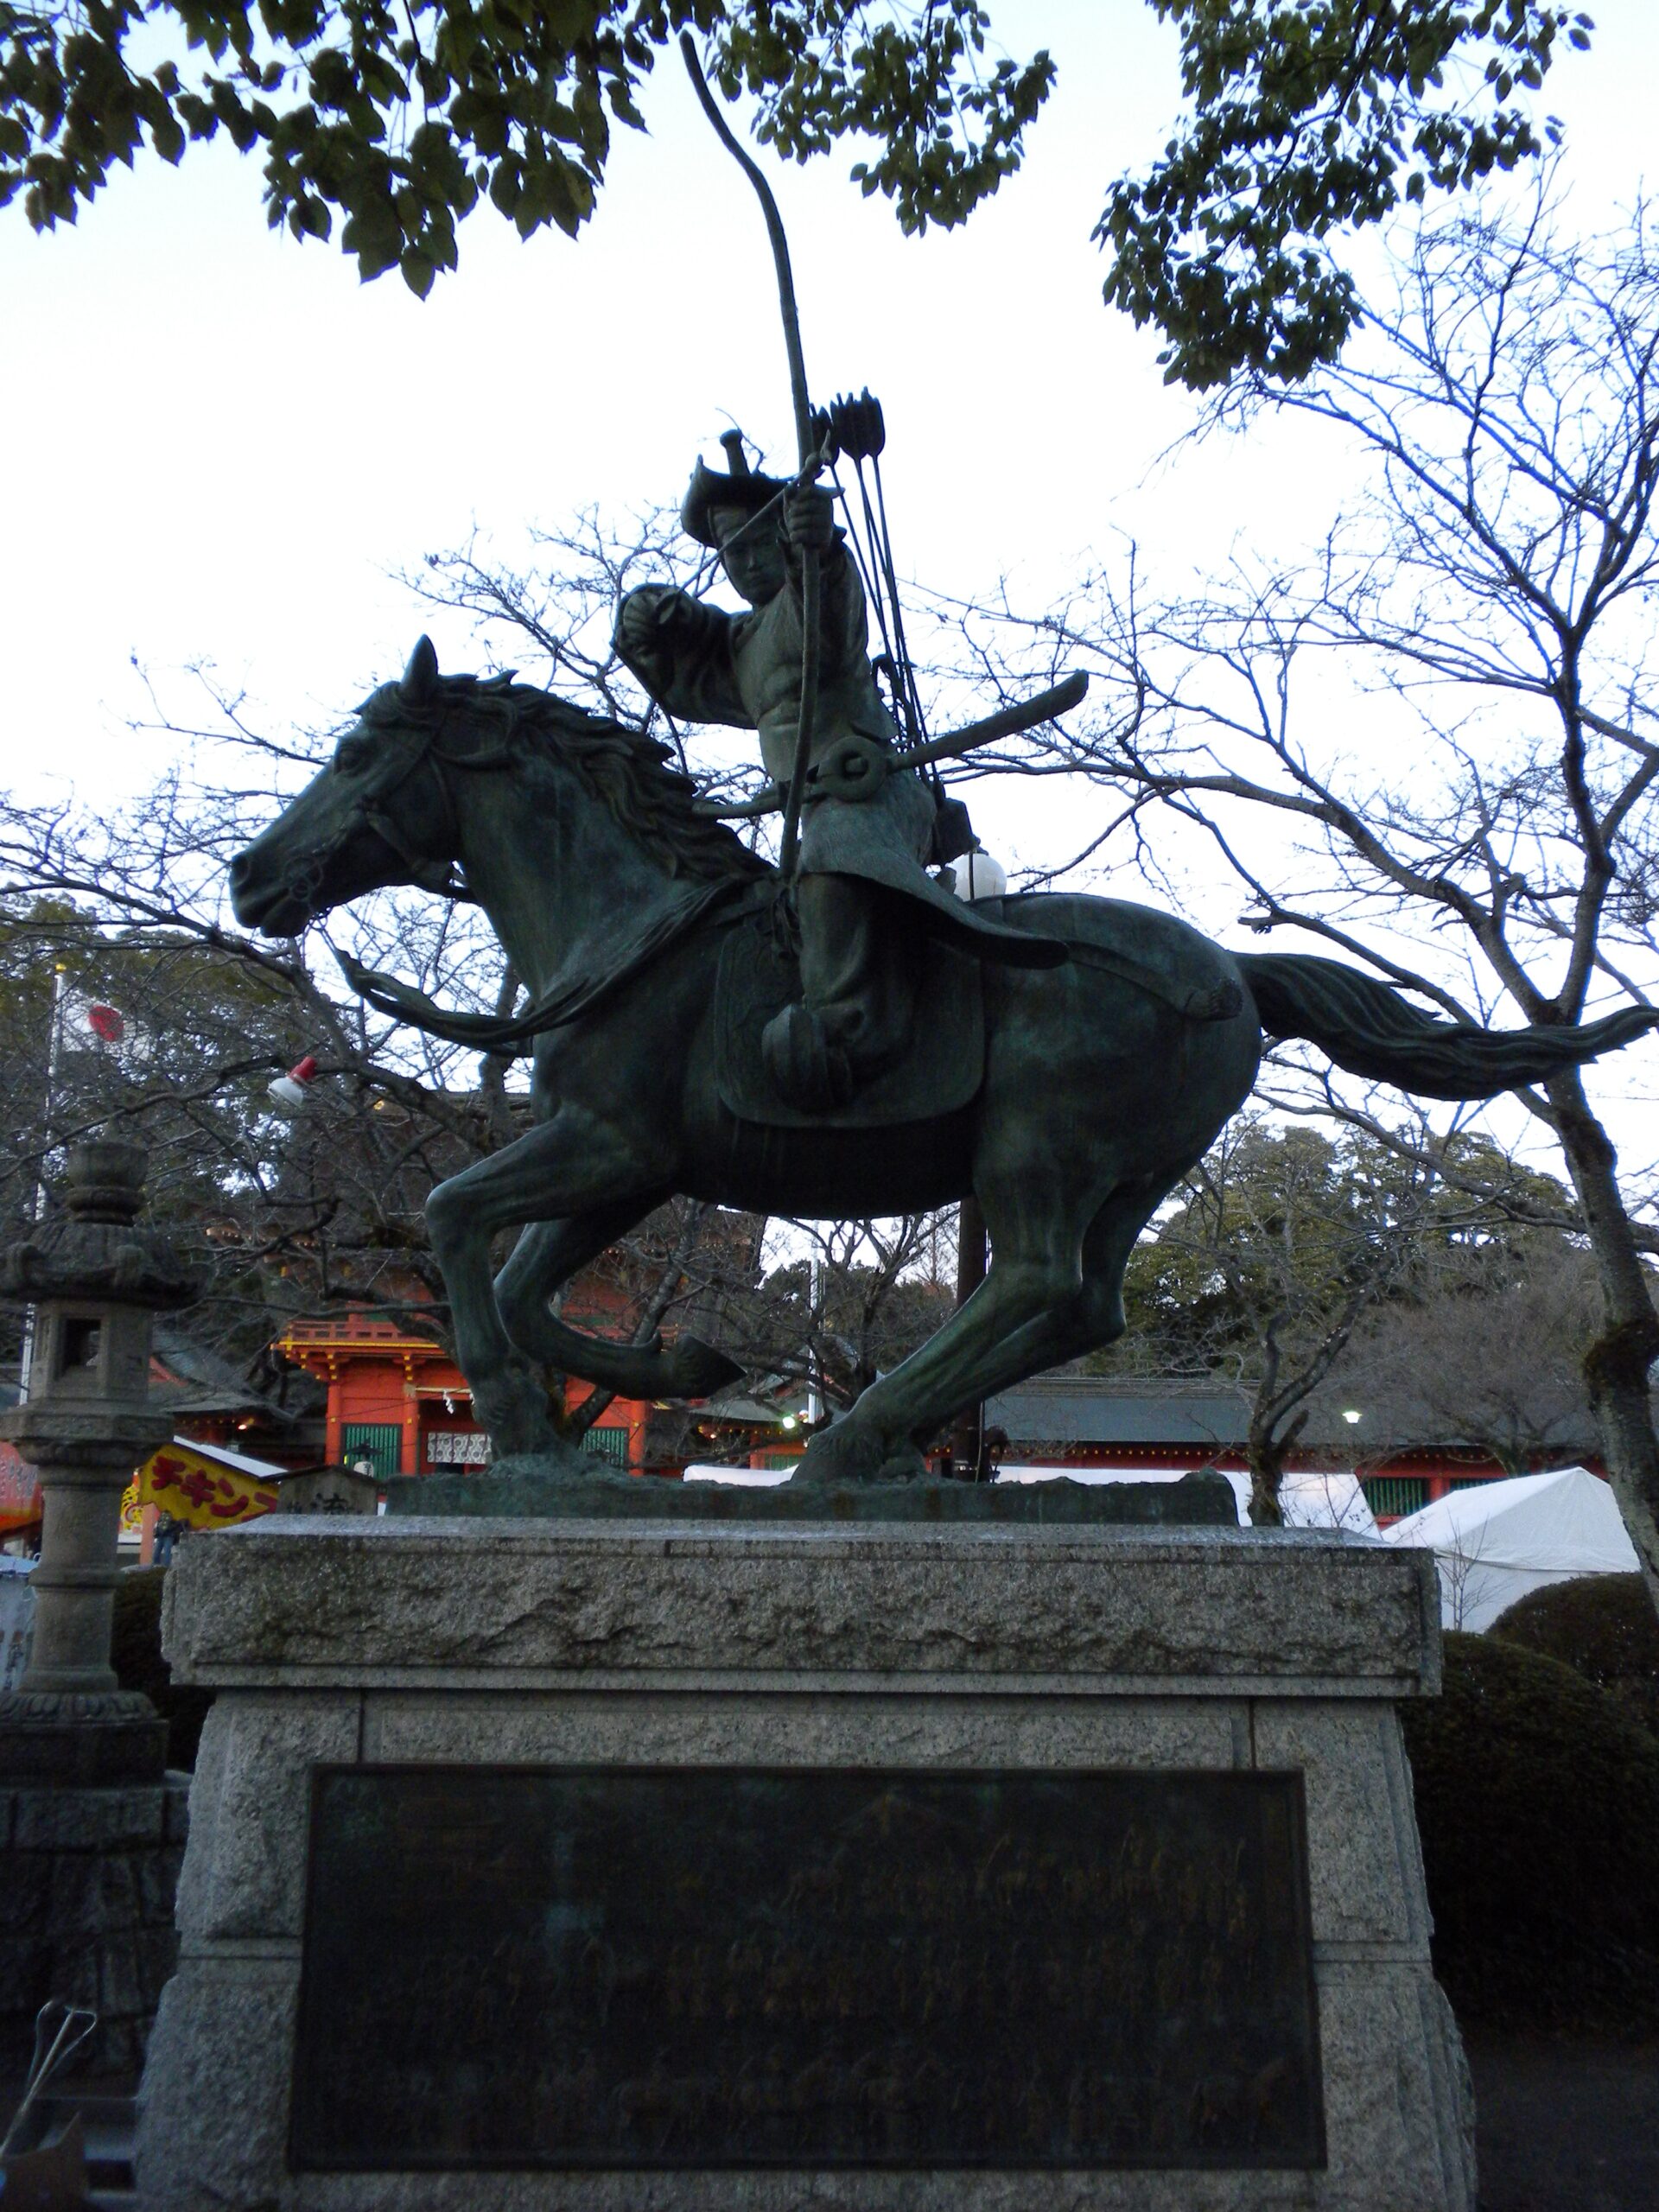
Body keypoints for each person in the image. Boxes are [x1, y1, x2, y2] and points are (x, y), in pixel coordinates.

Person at [614, 432, 1059, 1109]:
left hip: (871, 794)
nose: (741, 563)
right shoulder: (739, 647)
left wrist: (812, 542)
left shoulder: (809, 595)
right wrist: (642, 618)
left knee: (830, 861)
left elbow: (824, 601)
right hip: (812, 812)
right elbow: (683, 673)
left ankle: (849, 1031)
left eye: (754, 543)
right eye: (728, 551)